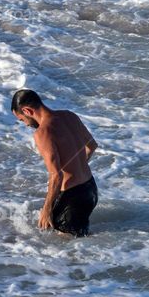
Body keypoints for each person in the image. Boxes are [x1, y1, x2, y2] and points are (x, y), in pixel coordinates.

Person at [11, 89, 99, 237]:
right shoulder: (70, 116)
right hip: (90, 190)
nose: (25, 124)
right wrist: (77, 166)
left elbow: (56, 175)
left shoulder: (43, 133)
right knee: (84, 243)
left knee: (67, 253)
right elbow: (92, 146)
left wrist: (47, 209)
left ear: (27, 111)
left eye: (22, 120)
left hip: (72, 198)